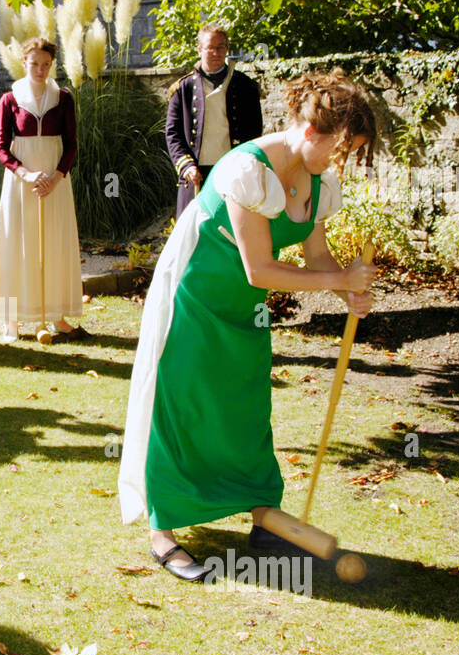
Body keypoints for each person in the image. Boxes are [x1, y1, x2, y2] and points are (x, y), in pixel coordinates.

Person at [119, 68, 377, 581]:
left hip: (245, 307)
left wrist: (348, 286)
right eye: (339, 148)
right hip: (194, 297)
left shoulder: (320, 180)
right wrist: (337, 279)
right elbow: (258, 268)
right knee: (184, 405)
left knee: (246, 406)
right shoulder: (245, 169)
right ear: (310, 131)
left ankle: (264, 517)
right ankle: (163, 531)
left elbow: (317, 254)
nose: (340, 162)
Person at [0, 38, 85, 343]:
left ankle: (56, 315)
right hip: (22, 183)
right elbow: (0, 146)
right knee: (19, 243)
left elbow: (71, 144)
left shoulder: (64, 98)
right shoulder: (9, 99)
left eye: (46, 64)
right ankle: (13, 318)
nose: (41, 69)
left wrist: (56, 177)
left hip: (55, 182)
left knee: (54, 243)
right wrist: (27, 174)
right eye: (34, 64)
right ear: (24, 62)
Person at [166, 24, 263, 218]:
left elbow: (254, 131)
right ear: (200, 49)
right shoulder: (182, 89)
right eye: (211, 47)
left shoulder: (245, 86)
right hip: (196, 175)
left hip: (233, 172)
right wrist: (186, 166)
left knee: (232, 232)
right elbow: (173, 134)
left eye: (221, 47)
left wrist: (243, 164)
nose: (216, 52)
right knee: (195, 236)